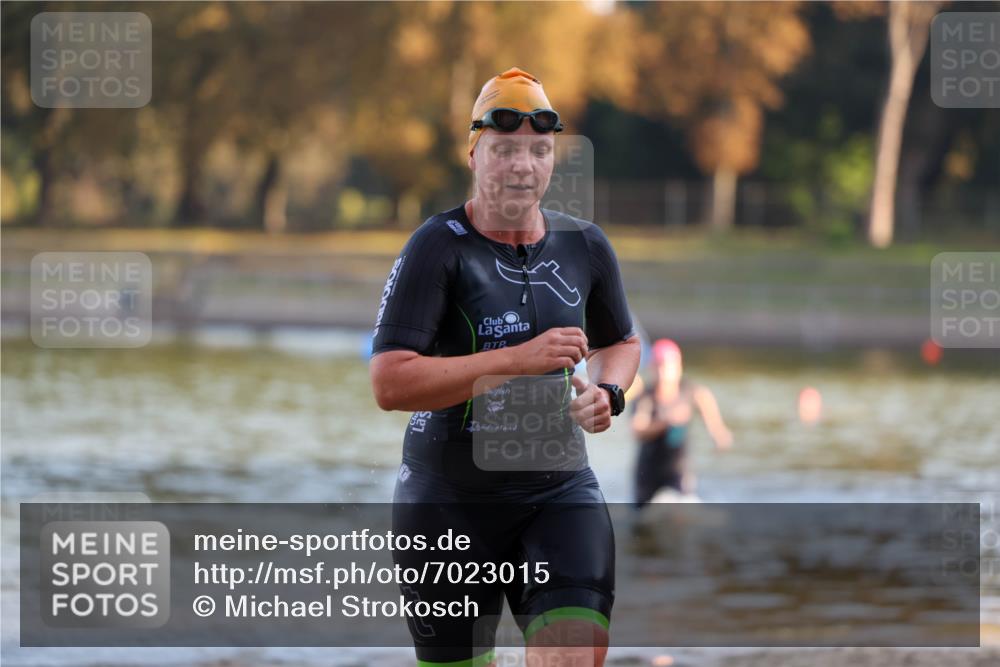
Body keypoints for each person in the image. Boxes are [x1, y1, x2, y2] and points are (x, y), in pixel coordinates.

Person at [369, 67, 640, 667]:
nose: (523, 166)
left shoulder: (585, 245)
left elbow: (621, 341)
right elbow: (389, 382)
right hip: (446, 503)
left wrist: (609, 393)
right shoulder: (437, 246)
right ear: (475, 154)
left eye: (539, 151)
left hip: (560, 492)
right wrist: (516, 361)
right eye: (505, 150)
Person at [630, 339, 732, 506]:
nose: (663, 372)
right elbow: (637, 430)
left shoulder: (691, 392)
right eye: (659, 366)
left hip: (679, 469)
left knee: (682, 512)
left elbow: (707, 403)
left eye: (668, 366)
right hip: (647, 471)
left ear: (679, 367)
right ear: (652, 368)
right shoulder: (645, 397)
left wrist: (718, 434)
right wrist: (665, 421)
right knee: (643, 522)